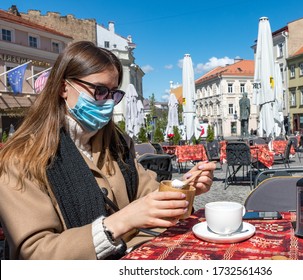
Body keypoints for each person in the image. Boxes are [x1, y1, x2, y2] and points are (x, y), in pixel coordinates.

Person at [0, 41, 215, 260]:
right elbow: (34, 254)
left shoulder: (117, 142)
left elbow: (149, 196)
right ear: (64, 88)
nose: (108, 103)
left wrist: (183, 187)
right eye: (100, 90)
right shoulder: (21, 158)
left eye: (113, 94)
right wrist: (120, 222)